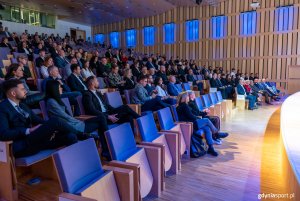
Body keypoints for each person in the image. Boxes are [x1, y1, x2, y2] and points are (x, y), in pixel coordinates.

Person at [0, 79, 77, 158]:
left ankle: (74, 163)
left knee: (70, 136)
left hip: (36, 140)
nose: (26, 91)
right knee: (55, 120)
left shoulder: (23, 106)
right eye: (22, 89)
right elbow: (3, 134)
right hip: (23, 145)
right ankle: (82, 134)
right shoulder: (2, 108)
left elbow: (38, 120)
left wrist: (50, 128)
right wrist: (28, 131)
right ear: (13, 93)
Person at [45, 80, 110, 160]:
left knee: (102, 118)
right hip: (73, 127)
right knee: (101, 120)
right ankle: (106, 150)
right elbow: (65, 117)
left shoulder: (57, 100)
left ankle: (106, 149)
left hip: (76, 123)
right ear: (54, 89)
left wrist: (78, 121)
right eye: (59, 87)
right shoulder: (51, 102)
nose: (61, 88)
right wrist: (78, 121)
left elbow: (68, 117)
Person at [176, 92, 219, 156]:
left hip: (191, 123)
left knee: (207, 128)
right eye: (187, 97)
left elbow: (192, 115)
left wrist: (198, 117)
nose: (188, 98)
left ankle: (211, 147)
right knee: (206, 120)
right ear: (185, 98)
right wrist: (198, 118)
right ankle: (216, 132)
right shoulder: (184, 106)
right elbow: (191, 116)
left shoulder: (182, 105)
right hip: (190, 124)